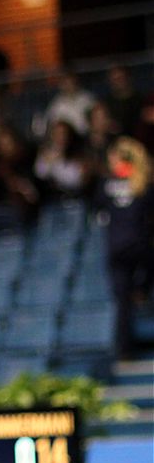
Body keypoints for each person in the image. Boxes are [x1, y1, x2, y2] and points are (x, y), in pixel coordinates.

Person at [93, 136, 154, 358]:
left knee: (122, 302)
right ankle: (143, 290)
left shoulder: (106, 183)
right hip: (140, 246)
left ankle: (124, 349)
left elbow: (99, 211)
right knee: (133, 293)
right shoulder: (144, 182)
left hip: (117, 247)